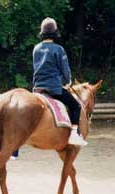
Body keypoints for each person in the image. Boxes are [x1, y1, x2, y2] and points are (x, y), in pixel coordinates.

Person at [32, 17, 87, 146]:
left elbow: (36, 67)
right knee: (76, 106)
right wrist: (68, 82)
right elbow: (65, 69)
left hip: (38, 88)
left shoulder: (36, 48)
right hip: (54, 88)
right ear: (54, 33)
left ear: (42, 33)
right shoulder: (58, 49)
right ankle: (74, 135)